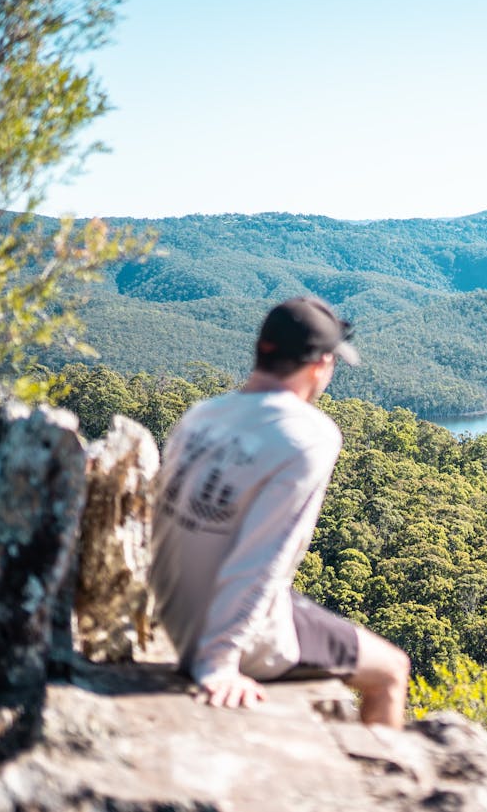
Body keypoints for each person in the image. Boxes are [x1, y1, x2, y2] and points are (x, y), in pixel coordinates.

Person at [150, 296, 410, 724]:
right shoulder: (308, 435)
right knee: (391, 670)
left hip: (171, 609)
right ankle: (383, 786)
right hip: (227, 636)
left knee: (302, 606)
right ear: (321, 365)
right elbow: (263, 559)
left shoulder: (203, 415)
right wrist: (218, 662)